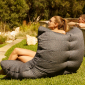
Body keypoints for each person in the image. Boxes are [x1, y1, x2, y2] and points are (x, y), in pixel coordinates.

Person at [0, 16, 69, 77]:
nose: (48, 22)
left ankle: (5, 71)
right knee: (18, 56)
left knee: (16, 51)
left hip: (46, 59)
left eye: (50, 21)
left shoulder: (60, 32)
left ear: (56, 24)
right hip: (41, 55)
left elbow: (63, 32)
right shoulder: (50, 32)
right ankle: (7, 72)